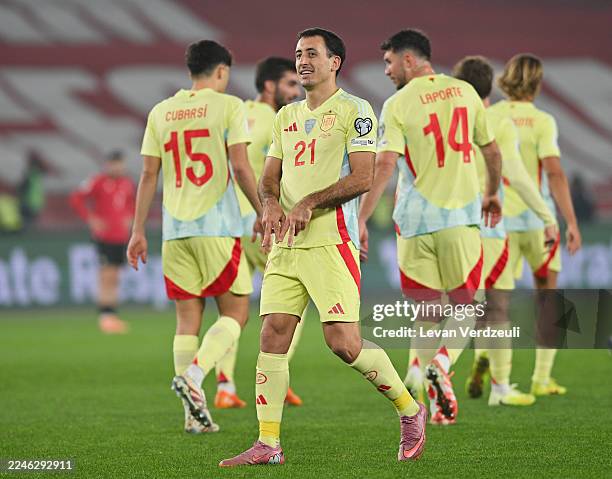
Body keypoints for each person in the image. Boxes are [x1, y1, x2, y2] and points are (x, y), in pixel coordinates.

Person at [220, 28, 426, 467]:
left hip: (332, 241)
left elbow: (364, 177)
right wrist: (271, 203)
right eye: (298, 54)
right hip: (286, 245)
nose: (302, 60)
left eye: (312, 53)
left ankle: (410, 410)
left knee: (343, 344)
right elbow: (268, 176)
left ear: (335, 62)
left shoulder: (356, 110)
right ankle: (268, 443)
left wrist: (310, 202)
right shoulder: (286, 116)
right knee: (273, 333)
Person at [358, 29, 502, 425]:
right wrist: (491, 194)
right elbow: (490, 150)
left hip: (414, 224)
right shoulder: (465, 93)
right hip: (458, 220)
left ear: (408, 60)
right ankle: (441, 363)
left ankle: (425, 395)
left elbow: (385, 165)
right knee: (467, 307)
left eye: (388, 62)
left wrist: (361, 217)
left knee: (426, 311)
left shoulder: (396, 104)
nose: (386, 70)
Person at [127, 40, 263, 434]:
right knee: (236, 313)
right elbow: (240, 167)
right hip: (217, 228)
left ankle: (193, 416)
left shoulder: (161, 112)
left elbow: (149, 175)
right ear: (222, 71)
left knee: (187, 321)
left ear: (191, 71)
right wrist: (262, 210)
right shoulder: (229, 106)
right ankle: (196, 376)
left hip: (174, 232)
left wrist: (138, 231)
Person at [453, 56, 558, 406]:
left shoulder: (448, 120)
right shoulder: (501, 121)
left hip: (453, 227)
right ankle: (500, 388)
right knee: (497, 308)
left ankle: (428, 372)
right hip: (494, 225)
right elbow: (519, 174)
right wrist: (548, 216)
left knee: (461, 308)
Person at [214, 57, 304, 409]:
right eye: (290, 84)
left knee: (233, 309)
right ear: (270, 86)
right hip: (262, 222)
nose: (296, 91)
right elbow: (279, 175)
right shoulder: (279, 121)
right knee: (293, 298)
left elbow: (234, 164)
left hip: (228, 225)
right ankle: (276, 378)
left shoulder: (237, 115)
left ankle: (225, 385)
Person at [492, 54, 582, 396]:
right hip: (537, 222)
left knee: (495, 302)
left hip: (497, 224)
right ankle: (542, 379)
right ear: (538, 82)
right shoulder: (543, 121)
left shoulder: (491, 115)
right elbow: (555, 172)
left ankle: (493, 368)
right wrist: (570, 221)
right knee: (548, 298)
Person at [70, 150, 135, 334]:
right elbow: (76, 198)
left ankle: (112, 315)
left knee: (115, 276)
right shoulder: (98, 181)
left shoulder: (126, 183)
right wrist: (90, 218)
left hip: (121, 236)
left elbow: (132, 203)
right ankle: (105, 317)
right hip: (104, 236)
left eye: (120, 163)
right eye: (114, 163)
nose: (117, 167)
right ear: (108, 164)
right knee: (106, 275)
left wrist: (130, 216)